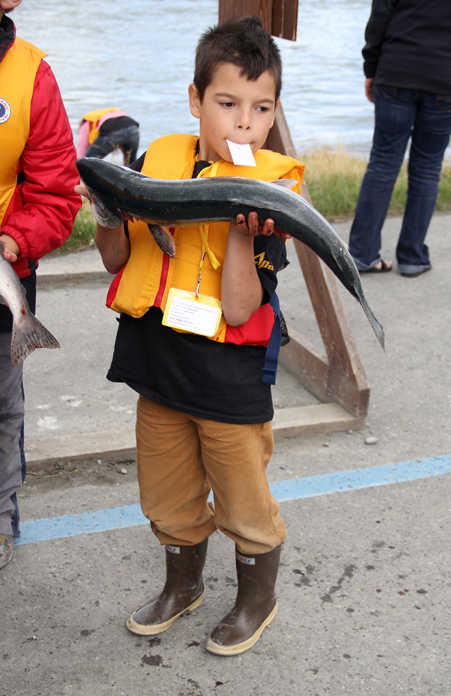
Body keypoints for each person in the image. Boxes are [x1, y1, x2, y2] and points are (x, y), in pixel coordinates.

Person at [77, 17, 304, 656]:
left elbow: (239, 308)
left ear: (274, 116)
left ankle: (257, 597)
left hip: (230, 381)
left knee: (244, 502)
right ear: (194, 100)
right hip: (158, 365)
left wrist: (242, 229)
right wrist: (105, 207)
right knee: (168, 497)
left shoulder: (272, 198)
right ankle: (184, 584)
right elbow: (119, 261)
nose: (242, 123)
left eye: (260, 110)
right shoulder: (159, 162)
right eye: (226, 104)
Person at [0, 0, 81, 569]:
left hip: (6, 272)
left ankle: (0, 518)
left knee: (2, 407)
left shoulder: (33, 73)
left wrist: (13, 242)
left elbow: (56, 196)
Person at [348, 0, 451, 277]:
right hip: (444, 79)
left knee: (382, 164)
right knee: (428, 169)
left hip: (396, 71)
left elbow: (379, 18)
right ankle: (413, 257)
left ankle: (362, 254)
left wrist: (371, 68)